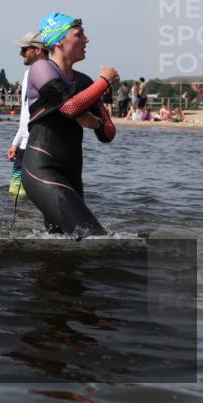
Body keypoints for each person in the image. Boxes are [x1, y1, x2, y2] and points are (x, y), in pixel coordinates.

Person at [20, 13, 118, 239]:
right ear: (58, 41)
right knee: (95, 238)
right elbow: (69, 107)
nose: (87, 40)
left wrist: (96, 123)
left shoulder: (84, 82)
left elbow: (109, 133)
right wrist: (104, 82)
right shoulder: (41, 69)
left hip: (72, 175)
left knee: (65, 247)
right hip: (42, 169)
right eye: (79, 34)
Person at [7, 32, 47, 199]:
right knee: (15, 190)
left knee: (34, 191)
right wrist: (16, 142)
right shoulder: (27, 74)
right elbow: (25, 112)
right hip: (24, 143)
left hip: (38, 143)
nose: (21, 53)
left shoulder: (48, 73)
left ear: (37, 50)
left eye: (24, 49)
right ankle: (21, 223)